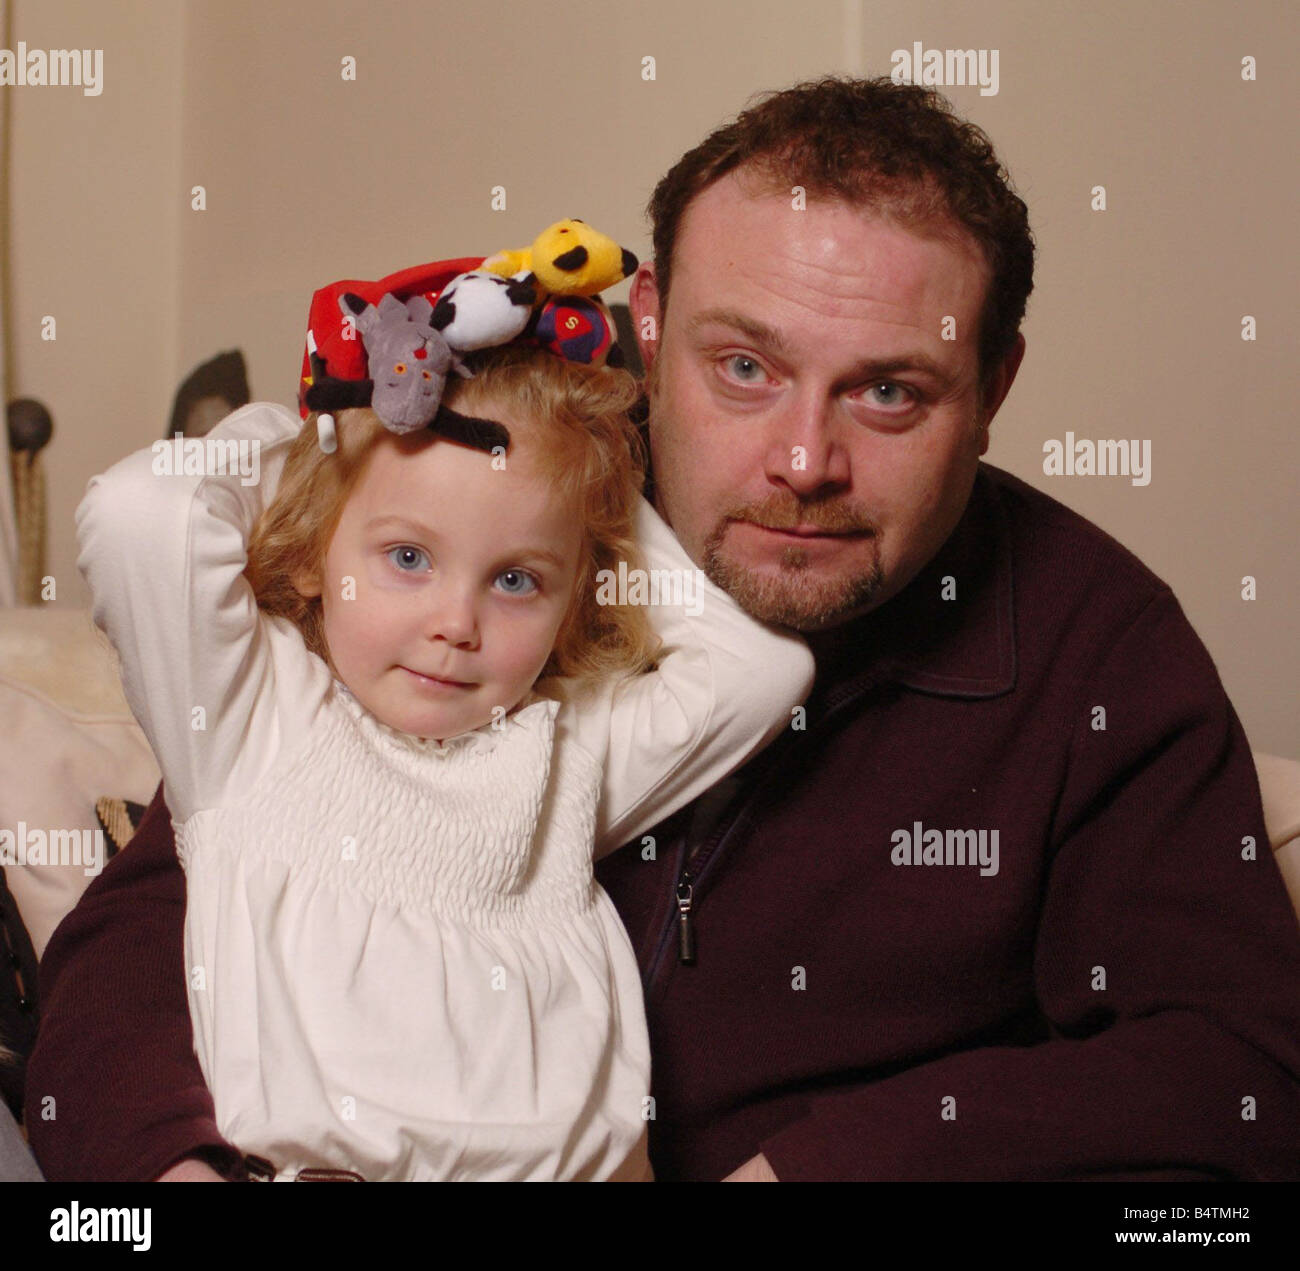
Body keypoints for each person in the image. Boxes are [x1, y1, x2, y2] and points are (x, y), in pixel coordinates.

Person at [27, 76, 1300, 1182]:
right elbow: (148, 926)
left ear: (996, 388)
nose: (805, 459)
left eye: (890, 391)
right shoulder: (489, 524)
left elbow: (1234, 1069)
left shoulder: (1097, 643)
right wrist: (167, 1173)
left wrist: (814, 1171)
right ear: (647, 333)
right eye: (742, 367)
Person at [62, 284, 811, 1181]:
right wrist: (325, 437)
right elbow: (138, 514)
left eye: (517, 580)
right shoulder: (250, 720)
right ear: (313, 548)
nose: (457, 622)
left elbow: (765, 671)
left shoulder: (566, 753)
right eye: (407, 557)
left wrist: (592, 486)